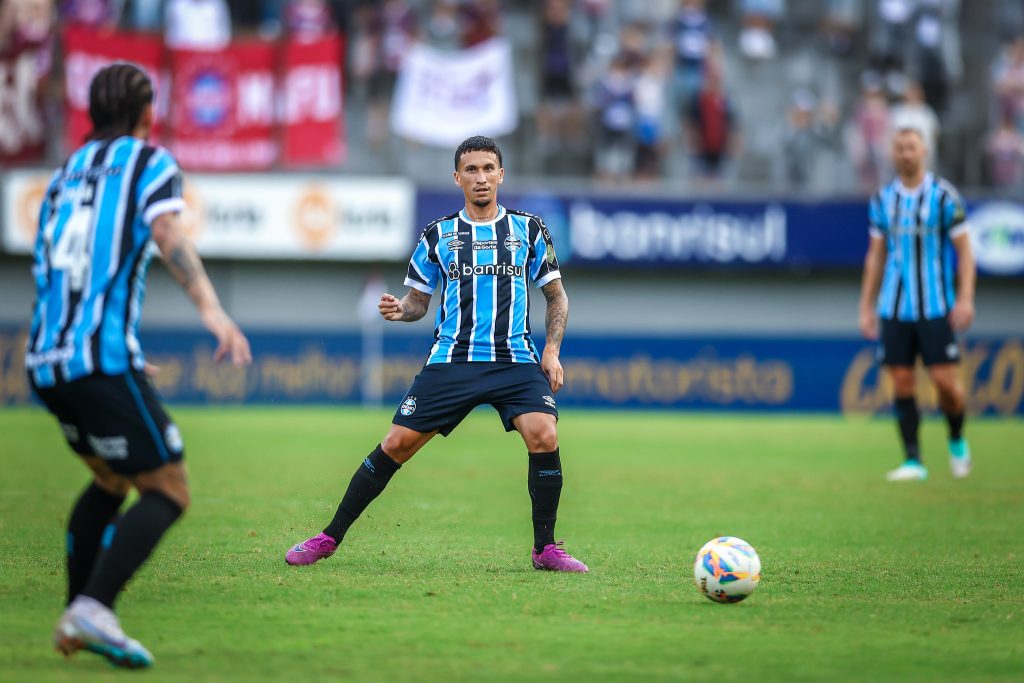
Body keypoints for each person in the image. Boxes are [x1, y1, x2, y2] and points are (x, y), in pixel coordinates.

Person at [26, 63, 251, 668]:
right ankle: (94, 607)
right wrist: (212, 310)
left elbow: (55, 268)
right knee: (168, 489)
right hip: (96, 358)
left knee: (110, 479)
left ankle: (81, 616)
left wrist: (106, 341)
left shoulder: (63, 175)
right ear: (146, 111)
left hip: (46, 358)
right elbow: (169, 236)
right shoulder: (149, 161)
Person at [285, 135, 588, 573]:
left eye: (488, 168)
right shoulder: (438, 235)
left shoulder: (529, 229)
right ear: (457, 178)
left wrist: (552, 351)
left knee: (545, 434)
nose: (480, 177)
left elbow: (556, 297)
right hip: (452, 359)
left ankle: (546, 549)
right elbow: (418, 302)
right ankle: (329, 537)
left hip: (516, 359)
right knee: (396, 445)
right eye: (471, 169)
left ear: (501, 174)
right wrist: (399, 310)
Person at [857, 127, 975, 482]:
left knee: (945, 383)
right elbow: (875, 257)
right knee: (903, 380)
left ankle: (956, 438)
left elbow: (966, 253)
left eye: (911, 147)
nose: (906, 154)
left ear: (924, 150)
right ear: (893, 154)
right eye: (900, 148)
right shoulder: (882, 200)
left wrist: (966, 298)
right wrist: (866, 306)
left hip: (936, 305)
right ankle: (913, 460)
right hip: (894, 307)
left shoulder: (943, 197)